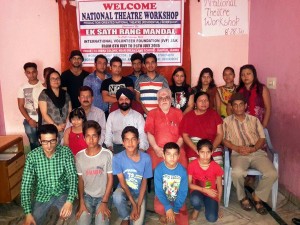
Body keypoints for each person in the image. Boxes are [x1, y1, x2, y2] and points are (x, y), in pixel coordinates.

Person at [223, 93, 277, 215]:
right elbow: (224, 140)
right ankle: (242, 197)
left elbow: (262, 138)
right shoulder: (226, 122)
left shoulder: (254, 120)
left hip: (256, 152)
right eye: (235, 105)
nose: (238, 108)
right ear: (231, 107)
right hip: (238, 153)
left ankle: (257, 196)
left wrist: (253, 149)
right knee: (237, 173)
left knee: (272, 173)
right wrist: (236, 147)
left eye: (241, 105)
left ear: (245, 105)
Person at [21, 124, 78, 225]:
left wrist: (69, 201)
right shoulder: (32, 157)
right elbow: (26, 186)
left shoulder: (66, 152)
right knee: (31, 221)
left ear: (57, 139)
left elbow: (72, 178)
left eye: (52, 141)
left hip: (62, 193)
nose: (49, 145)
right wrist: (27, 213)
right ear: (39, 141)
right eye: (45, 142)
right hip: (42, 196)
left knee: (72, 219)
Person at [112, 126, 152, 225]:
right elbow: (123, 183)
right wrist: (134, 205)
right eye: (127, 140)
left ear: (138, 141)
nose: (130, 143)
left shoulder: (146, 158)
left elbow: (144, 183)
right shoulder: (117, 158)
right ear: (123, 142)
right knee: (116, 196)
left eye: (133, 139)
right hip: (124, 190)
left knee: (138, 223)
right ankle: (125, 216)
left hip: (140, 193)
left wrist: (138, 205)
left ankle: (136, 206)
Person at [76, 120, 113, 225]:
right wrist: (81, 202)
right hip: (87, 196)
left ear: (99, 137)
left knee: (101, 222)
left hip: (103, 196)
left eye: (94, 136)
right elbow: (81, 180)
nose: (91, 140)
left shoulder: (107, 154)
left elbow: (110, 179)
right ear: (83, 137)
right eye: (87, 136)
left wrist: (105, 201)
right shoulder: (79, 156)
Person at [145, 88, 187, 169]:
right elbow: (149, 133)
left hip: (176, 148)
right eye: (161, 98)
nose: (164, 100)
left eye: (166, 97)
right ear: (158, 101)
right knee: (156, 170)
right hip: (157, 150)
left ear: (171, 99)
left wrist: (176, 148)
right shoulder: (151, 114)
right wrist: (156, 148)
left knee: (181, 168)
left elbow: (183, 133)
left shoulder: (178, 113)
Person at [180, 91, 223, 165]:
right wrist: (196, 149)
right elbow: (185, 136)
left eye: (206, 100)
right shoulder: (188, 116)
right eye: (200, 101)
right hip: (194, 146)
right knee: (196, 168)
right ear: (195, 103)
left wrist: (213, 147)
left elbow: (220, 134)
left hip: (212, 144)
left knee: (216, 167)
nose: (204, 103)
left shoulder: (214, 114)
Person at [188, 139, 223, 222]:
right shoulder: (192, 165)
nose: (205, 155)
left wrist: (218, 206)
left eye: (208, 152)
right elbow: (189, 184)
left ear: (211, 152)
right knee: (195, 199)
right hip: (197, 191)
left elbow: (220, 187)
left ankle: (208, 204)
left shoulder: (216, 167)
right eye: (202, 152)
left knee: (212, 218)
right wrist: (204, 190)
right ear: (197, 152)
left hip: (211, 194)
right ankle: (197, 209)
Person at [154, 142, 188, 225]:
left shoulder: (183, 171)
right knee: (159, 208)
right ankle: (162, 214)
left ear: (179, 156)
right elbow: (159, 191)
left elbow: (183, 192)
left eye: (175, 154)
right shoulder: (158, 170)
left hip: (177, 199)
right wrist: (168, 207)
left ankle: (173, 211)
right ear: (163, 155)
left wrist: (175, 209)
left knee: (184, 222)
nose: (172, 157)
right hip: (163, 197)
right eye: (168, 154)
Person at [105, 88, 148, 154]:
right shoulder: (111, 116)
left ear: (130, 101)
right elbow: (108, 134)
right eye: (121, 99)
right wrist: (110, 148)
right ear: (118, 101)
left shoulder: (138, 116)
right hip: (116, 148)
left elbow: (142, 135)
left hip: (134, 148)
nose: (124, 102)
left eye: (126, 99)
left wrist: (141, 150)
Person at [39, 70, 72, 143]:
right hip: (49, 129)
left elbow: (70, 111)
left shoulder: (65, 94)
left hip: (65, 128)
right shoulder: (44, 94)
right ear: (48, 80)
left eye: (57, 78)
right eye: (52, 79)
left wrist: (66, 125)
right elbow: (44, 114)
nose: (55, 80)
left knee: (65, 150)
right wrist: (56, 127)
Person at [17, 62, 44, 150]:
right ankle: (35, 162)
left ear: (37, 72)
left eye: (33, 72)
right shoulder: (22, 87)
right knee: (34, 143)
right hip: (29, 119)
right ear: (25, 73)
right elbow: (21, 106)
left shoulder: (44, 86)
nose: (31, 74)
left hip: (43, 120)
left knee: (45, 142)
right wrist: (29, 120)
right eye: (28, 72)